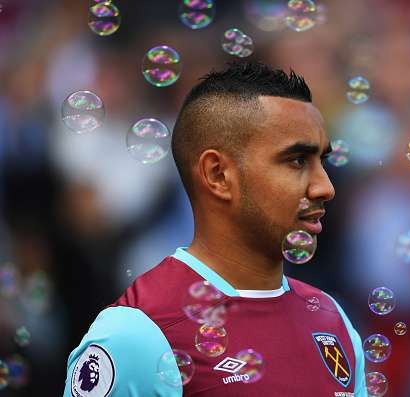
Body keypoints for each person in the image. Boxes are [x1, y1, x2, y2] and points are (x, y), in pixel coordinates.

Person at [64, 61, 367, 396]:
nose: (326, 188)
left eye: (321, 162)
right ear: (218, 175)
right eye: (296, 161)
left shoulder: (332, 318)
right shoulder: (138, 333)